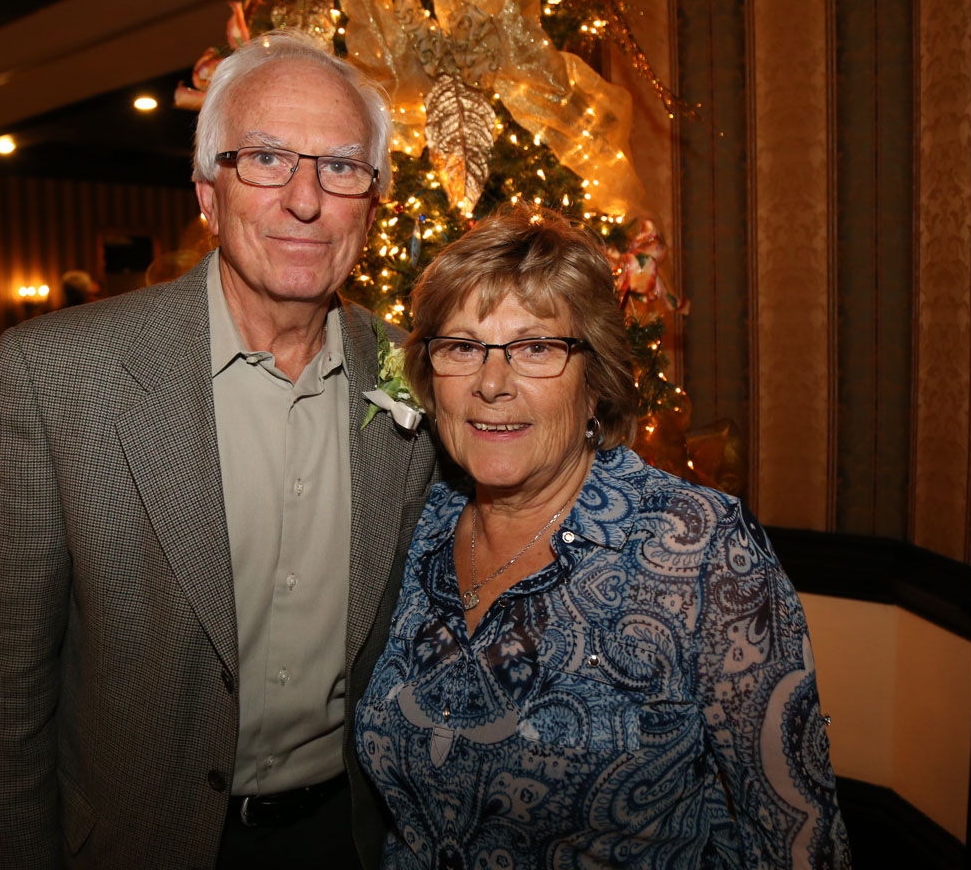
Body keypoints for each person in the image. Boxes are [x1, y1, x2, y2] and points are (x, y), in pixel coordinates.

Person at [0, 30, 437, 869]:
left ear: (374, 200)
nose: (306, 199)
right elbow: (4, 693)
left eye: (342, 166)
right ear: (208, 196)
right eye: (266, 159)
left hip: (350, 839)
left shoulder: (419, 377)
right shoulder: (59, 375)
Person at [355, 205, 850, 869]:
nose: (491, 384)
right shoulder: (416, 525)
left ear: (596, 385)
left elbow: (796, 835)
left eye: (536, 348)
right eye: (462, 347)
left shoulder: (699, 548)